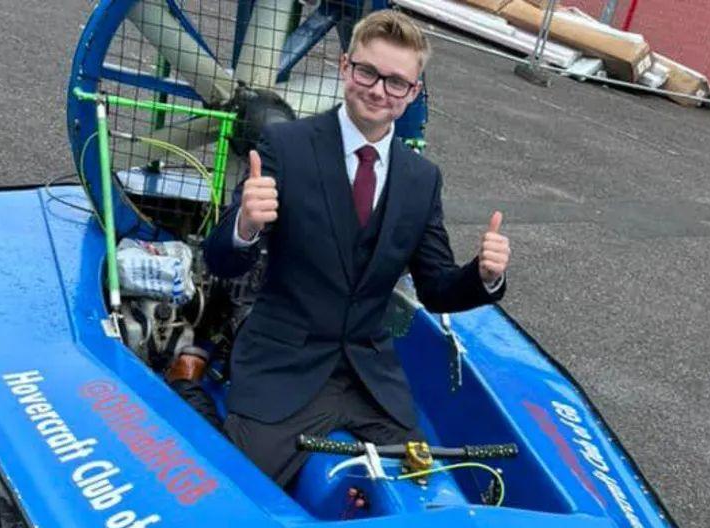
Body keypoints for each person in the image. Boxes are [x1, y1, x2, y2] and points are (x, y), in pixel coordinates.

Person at [204, 10, 511, 487]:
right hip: (281, 367)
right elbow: (220, 259)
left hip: (369, 379)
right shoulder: (286, 146)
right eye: (368, 72)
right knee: (237, 493)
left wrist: (485, 276)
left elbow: (436, 289)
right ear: (346, 67)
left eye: (396, 82)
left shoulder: (421, 179)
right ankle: (187, 383)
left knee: (422, 491)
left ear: (412, 94)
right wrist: (244, 224)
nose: (378, 90)